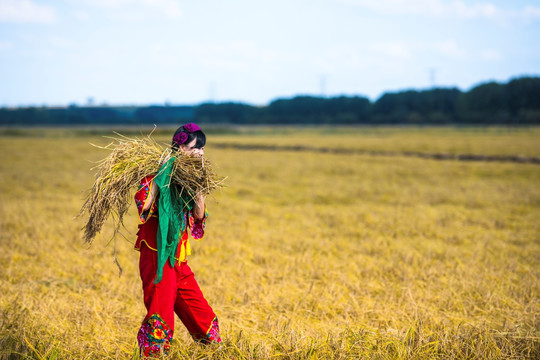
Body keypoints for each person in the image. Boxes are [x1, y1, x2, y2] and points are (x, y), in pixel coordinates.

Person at [134, 123, 221, 357]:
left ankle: (214, 350)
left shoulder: (191, 179)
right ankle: (155, 354)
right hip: (157, 252)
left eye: (202, 149)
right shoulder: (156, 175)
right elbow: (143, 206)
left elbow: (199, 216)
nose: (200, 153)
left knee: (196, 305)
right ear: (180, 147)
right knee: (161, 306)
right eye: (195, 148)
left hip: (178, 255)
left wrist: (199, 189)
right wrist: (161, 178)